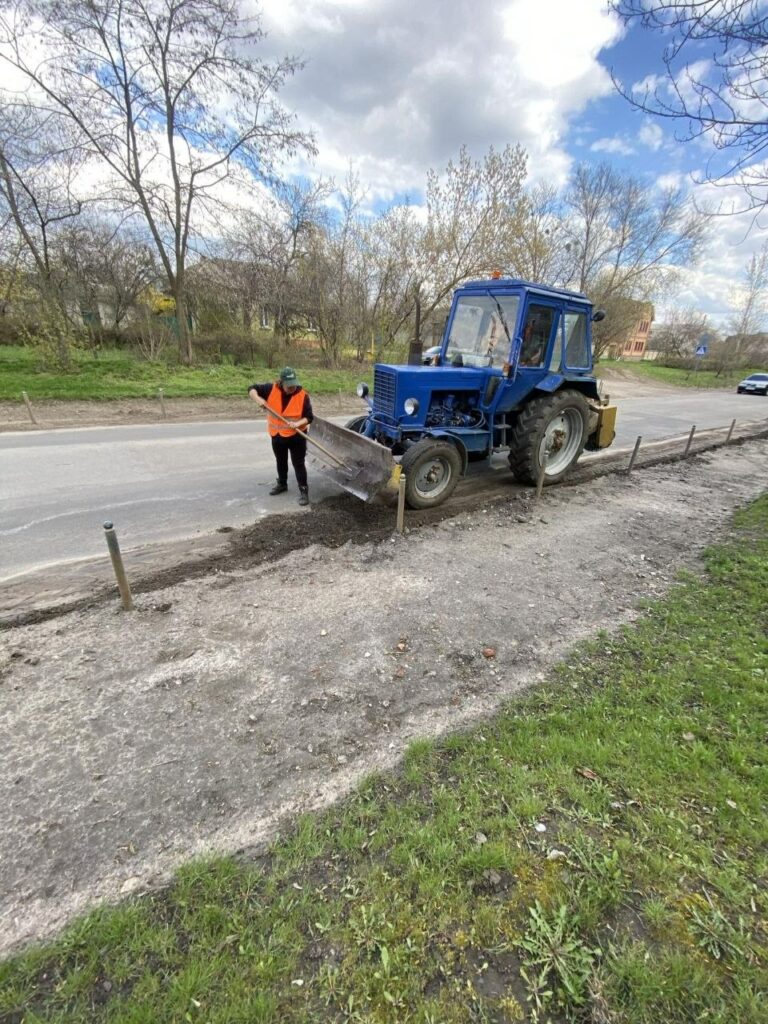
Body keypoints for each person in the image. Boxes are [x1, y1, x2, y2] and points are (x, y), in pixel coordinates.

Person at [248, 367, 314, 506]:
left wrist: (297, 424)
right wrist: (258, 399)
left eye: (294, 385)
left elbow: (309, 417)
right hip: (277, 435)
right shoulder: (270, 389)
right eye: (289, 386)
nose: (292, 388)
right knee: (280, 460)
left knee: (298, 463)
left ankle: (304, 491)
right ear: (281, 383)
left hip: (297, 436)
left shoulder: (303, 396)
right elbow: (251, 389)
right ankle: (282, 484)